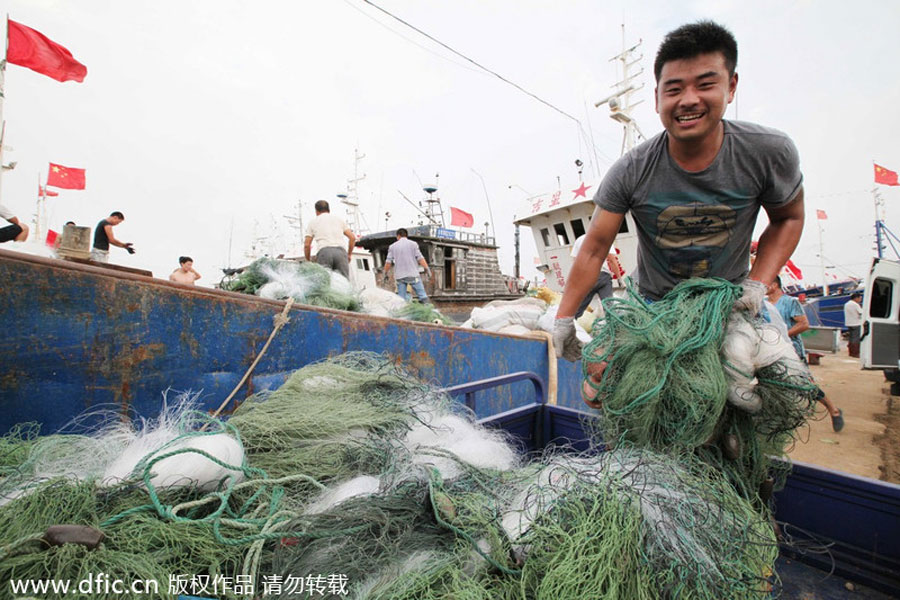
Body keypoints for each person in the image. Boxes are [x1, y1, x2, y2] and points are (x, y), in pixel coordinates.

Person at [552, 21, 805, 410]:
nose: (688, 99)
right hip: (653, 304)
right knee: (599, 392)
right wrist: (564, 318)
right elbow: (594, 247)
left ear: (731, 86)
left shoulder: (767, 152)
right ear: (657, 98)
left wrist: (757, 285)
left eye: (705, 84)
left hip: (732, 298)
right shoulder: (631, 170)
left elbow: (788, 217)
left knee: (778, 396)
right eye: (674, 89)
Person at [767, 276, 844, 432]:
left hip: (792, 350)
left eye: (767, 283)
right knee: (774, 384)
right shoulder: (766, 305)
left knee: (806, 385)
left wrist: (783, 335)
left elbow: (803, 324)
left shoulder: (790, 302)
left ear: (775, 285)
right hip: (772, 351)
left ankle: (833, 410)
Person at [569, 235, 624, 318]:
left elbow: (575, 262)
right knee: (609, 307)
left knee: (579, 308)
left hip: (587, 278)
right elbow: (612, 259)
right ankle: (614, 327)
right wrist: (620, 279)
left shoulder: (579, 240)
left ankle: (569, 325)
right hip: (603, 277)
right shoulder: (605, 238)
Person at [304, 200, 356, 279]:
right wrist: (349, 254)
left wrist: (308, 260)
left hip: (324, 252)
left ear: (316, 211)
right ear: (328, 210)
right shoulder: (339, 220)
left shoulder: (313, 222)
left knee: (325, 283)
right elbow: (352, 238)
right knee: (343, 283)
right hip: (341, 253)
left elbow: (307, 245)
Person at [383, 228, 432, 302]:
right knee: (422, 295)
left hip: (400, 277)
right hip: (413, 275)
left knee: (401, 299)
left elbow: (388, 262)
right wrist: (427, 269)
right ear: (406, 235)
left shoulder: (392, 246)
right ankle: (428, 309)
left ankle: (402, 311)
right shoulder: (413, 244)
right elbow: (420, 258)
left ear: (398, 236)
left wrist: (385, 273)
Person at [844, 292, 863, 358]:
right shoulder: (855, 305)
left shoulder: (846, 304)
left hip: (849, 323)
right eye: (860, 298)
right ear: (856, 298)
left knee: (851, 338)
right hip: (856, 323)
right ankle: (855, 353)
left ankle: (851, 352)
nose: (860, 300)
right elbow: (861, 312)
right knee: (856, 338)